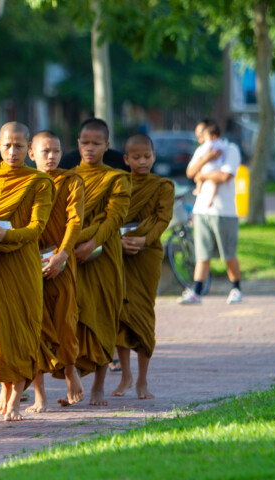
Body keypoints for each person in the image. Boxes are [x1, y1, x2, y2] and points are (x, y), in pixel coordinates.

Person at [0, 121, 54, 422]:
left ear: (29, 149)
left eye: (20, 146)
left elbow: (37, 228)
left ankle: (16, 399)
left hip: (21, 264)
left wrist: (6, 236)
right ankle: (7, 390)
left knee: (21, 330)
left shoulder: (39, 182)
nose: (13, 151)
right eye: (7, 145)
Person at [71, 118, 132, 406]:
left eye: (97, 143)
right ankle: (72, 378)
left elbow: (115, 219)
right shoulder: (68, 177)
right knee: (73, 315)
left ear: (107, 146)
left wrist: (92, 243)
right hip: (72, 257)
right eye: (85, 142)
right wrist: (72, 245)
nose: (90, 148)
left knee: (104, 317)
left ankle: (98, 385)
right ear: (78, 143)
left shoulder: (117, 178)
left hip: (104, 256)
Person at [111, 134, 174, 399]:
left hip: (148, 255)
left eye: (147, 156)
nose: (142, 161)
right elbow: (111, 217)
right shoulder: (119, 184)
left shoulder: (163, 185)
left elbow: (162, 219)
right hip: (121, 253)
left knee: (144, 313)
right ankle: (125, 374)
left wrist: (144, 239)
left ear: (154, 156)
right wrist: (119, 241)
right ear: (126, 159)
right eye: (136, 157)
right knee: (121, 314)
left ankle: (143, 380)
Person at [26, 130, 85, 411]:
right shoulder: (24, 182)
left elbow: (75, 220)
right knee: (34, 326)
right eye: (45, 151)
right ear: (31, 153)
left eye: (56, 151)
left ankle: (70, 373)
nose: (51, 157)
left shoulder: (71, 180)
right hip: (29, 261)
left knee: (65, 321)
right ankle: (40, 395)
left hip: (62, 258)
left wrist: (62, 254)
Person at [180, 119, 243, 305]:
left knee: (228, 254)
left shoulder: (230, 149)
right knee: (202, 254)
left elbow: (225, 176)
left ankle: (236, 288)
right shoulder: (203, 151)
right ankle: (197, 292)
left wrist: (203, 175)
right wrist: (205, 160)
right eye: (199, 136)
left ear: (213, 133)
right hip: (202, 211)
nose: (200, 140)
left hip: (224, 211)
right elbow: (190, 171)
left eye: (202, 135)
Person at [191, 124, 226, 207]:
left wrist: (205, 158)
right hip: (216, 165)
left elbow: (206, 155)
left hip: (212, 166)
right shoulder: (220, 143)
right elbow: (189, 172)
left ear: (212, 136)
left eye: (203, 137)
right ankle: (204, 194)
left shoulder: (209, 144)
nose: (201, 140)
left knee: (202, 178)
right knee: (211, 183)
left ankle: (200, 190)